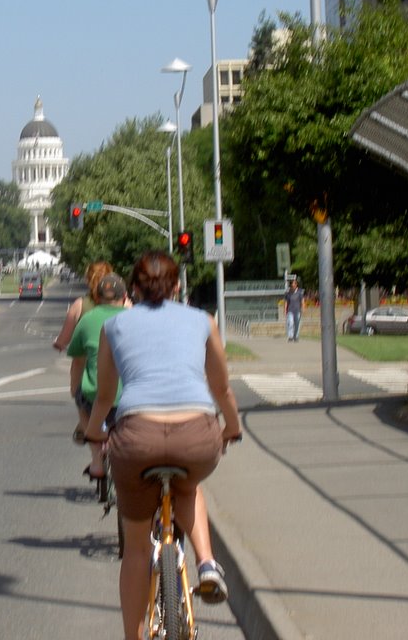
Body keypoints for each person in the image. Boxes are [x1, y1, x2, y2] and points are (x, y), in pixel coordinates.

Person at [86, 250, 241, 639]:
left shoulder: (115, 327)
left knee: (136, 548)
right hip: (196, 433)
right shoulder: (202, 320)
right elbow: (221, 387)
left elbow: (105, 397)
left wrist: (93, 432)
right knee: (189, 484)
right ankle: (206, 563)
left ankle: (133, 636)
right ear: (177, 286)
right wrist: (232, 429)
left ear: (133, 289)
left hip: (137, 436)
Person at [66, 272, 128, 479]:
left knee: (81, 402)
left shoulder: (87, 320)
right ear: (125, 296)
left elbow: (77, 361)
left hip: (96, 396)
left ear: (97, 297)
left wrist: (74, 389)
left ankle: (96, 460)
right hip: (130, 396)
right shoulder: (133, 318)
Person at [53, 261, 116, 443]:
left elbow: (64, 339)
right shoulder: (125, 304)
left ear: (88, 280)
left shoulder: (80, 305)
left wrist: (58, 344)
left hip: (91, 372)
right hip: (120, 372)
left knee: (78, 394)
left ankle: (87, 429)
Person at [284, 277, 304, 342]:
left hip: (297, 310)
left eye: (294, 285)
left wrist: (303, 308)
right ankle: (290, 336)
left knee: (297, 324)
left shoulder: (300, 292)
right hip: (290, 310)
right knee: (291, 322)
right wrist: (285, 309)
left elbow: (302, 301)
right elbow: (286, 302)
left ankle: (296, 336)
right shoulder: (288, 292)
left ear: (296, 285)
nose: (293, 286)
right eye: (292, 285)